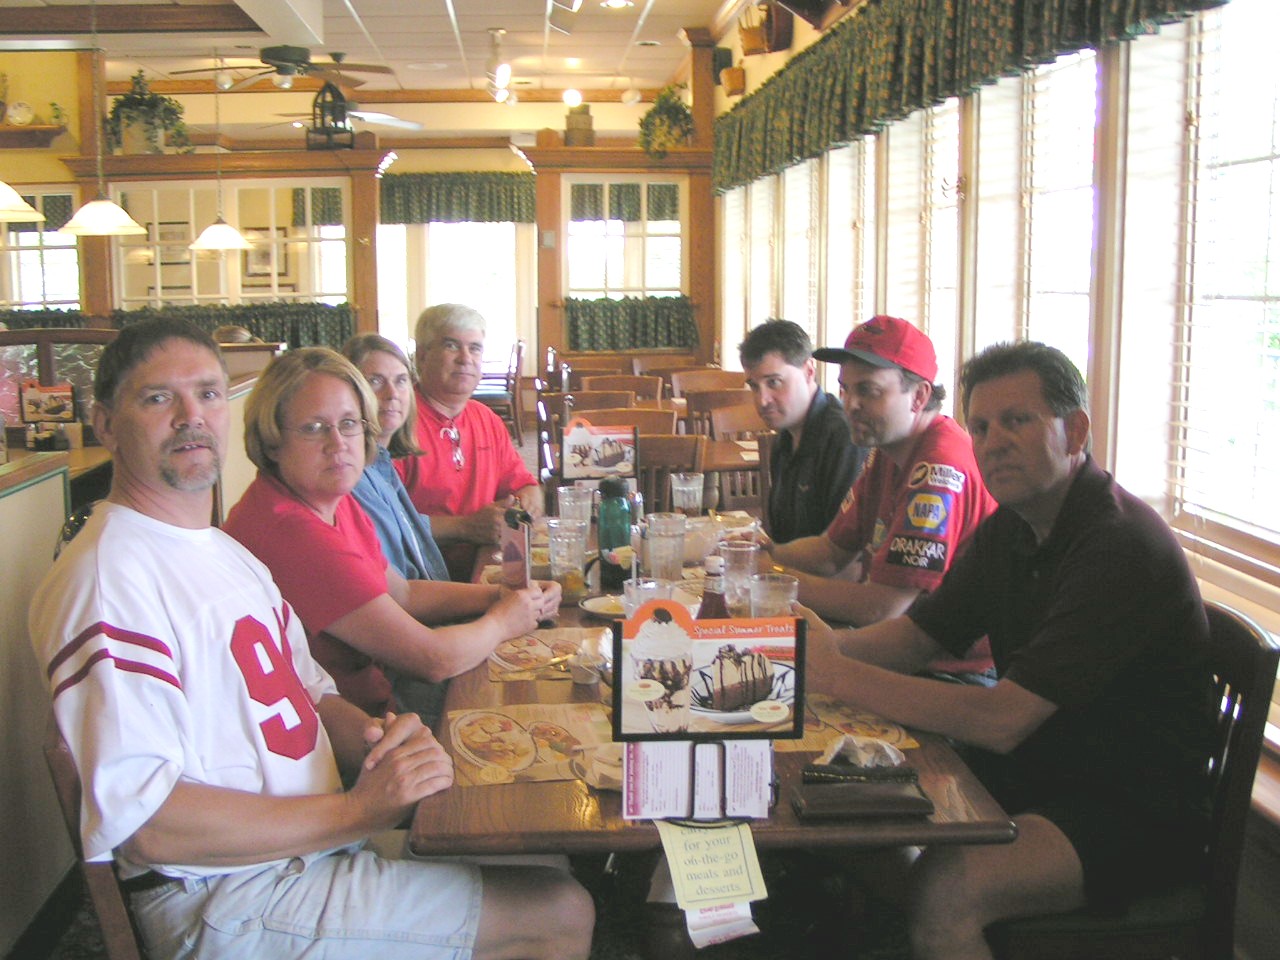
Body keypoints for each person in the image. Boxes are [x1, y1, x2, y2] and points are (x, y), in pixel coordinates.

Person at [29, 318, 593, 960]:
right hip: (230, 895)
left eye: (209, 393)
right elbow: (151, 828)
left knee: (540, 845)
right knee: (558, 910)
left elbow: (310, 695)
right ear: (106, 423)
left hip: (307, 849)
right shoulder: (110, 577)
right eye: (159, 397)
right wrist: (361, 810)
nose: (192, 416)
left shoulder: (220, 550)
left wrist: (386, 743)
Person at [804, 341, 1215, 959]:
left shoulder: (1117, 545)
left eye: (1016, 421)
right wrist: (808, 651)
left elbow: (1003, 720)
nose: (993, 442)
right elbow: (915, 638)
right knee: (840, 817)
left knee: (947, 893)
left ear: (1074, 429)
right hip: (1045, 770)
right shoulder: (1015, 525)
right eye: (981, 426)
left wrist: (833, 673)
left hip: (1130, 810)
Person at [223, 347, 559, 719]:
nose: (338, 444)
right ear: (272, 440)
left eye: (349, 423)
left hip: (380, 695)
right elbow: (432, 659)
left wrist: (503, 594)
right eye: (313, 428)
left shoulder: (330, 495)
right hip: (355, 730)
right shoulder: (291, 530)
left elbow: (402, 592)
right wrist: (503, 620)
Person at [767, 315, 997, 636]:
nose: (851, 404)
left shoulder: (938, 469)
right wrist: (764, 552)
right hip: (894, 644)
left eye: (869, 391)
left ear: (918, 396)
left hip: (946, 669)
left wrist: (770, 577)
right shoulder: (888, 449)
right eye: (845, 390)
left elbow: (880, 607)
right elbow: (831, 552)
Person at [396, 303, 541, 581]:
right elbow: (384, 526)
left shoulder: (487, 419)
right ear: (423, 356)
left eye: (475, 348)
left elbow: (525, 485)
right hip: (422, 580)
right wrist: (463, 527)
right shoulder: (397, 425)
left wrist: (527, 505)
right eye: (452, 346)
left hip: (486, 569)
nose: (466, 358)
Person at [739, 318, 868, 543]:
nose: (762, 400)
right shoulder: (784, 438)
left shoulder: (843, 439)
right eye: (754, 386)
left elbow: (842, 556)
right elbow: (783, 538)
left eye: (774, 382)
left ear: (809, 371)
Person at [342, 333, 450, 583]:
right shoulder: (351, 477)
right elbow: (401, 594)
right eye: (375, 381)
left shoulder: (380, 463)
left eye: (401, 381)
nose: (392, 394)